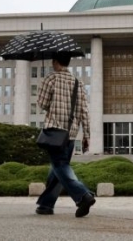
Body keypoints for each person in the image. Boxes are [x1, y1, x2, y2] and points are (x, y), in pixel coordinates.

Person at [35, 52, 95, 217]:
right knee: (57, 169)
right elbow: (84, 111)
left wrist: (44, 87)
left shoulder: (50, 79)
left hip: (55, 132)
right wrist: (86, 135)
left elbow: (42, 104)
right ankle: (46, 205)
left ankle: (83, 195)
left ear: (55, 61)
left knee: (60, 166)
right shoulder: (78, 83)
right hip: (71, 133)